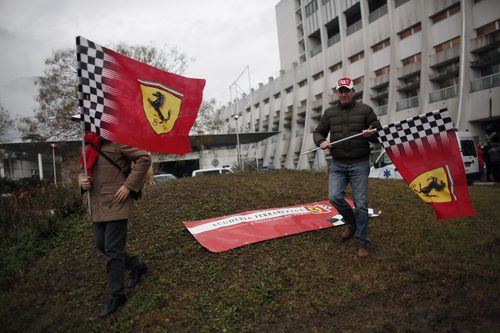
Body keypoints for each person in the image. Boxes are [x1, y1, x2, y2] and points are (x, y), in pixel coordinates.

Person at [78, 132, 151, 318]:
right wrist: (81, 181)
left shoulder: (118, 142)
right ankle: (137, 266)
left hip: (117, 202)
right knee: (101, 244)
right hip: (97, 206)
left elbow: (144, 158)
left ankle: (117, 295)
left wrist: (128, 186)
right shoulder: (88, 146)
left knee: (113, 249)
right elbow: (84, 170)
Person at [313, 77, 381, 257]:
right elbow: (318, 131)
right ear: (337, 92)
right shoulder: (329, 113)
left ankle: (362, 242)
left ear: (353, 92)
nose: (343, 94)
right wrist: (321, 141)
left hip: (359, 163)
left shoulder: (366, 110)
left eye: (347, 90)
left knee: (361, 204)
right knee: (334, 197)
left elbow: (379, 134)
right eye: (340, 91)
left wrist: (370, 134)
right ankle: (352, 223)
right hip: (338, 163)